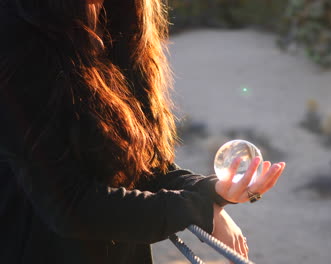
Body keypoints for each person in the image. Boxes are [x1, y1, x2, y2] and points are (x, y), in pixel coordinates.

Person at [0, 0, 286, 263]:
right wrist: (198, 209)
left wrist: (212, 191)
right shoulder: (18, 37)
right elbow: (69, 204)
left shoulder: (120, 21)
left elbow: (136, 166)